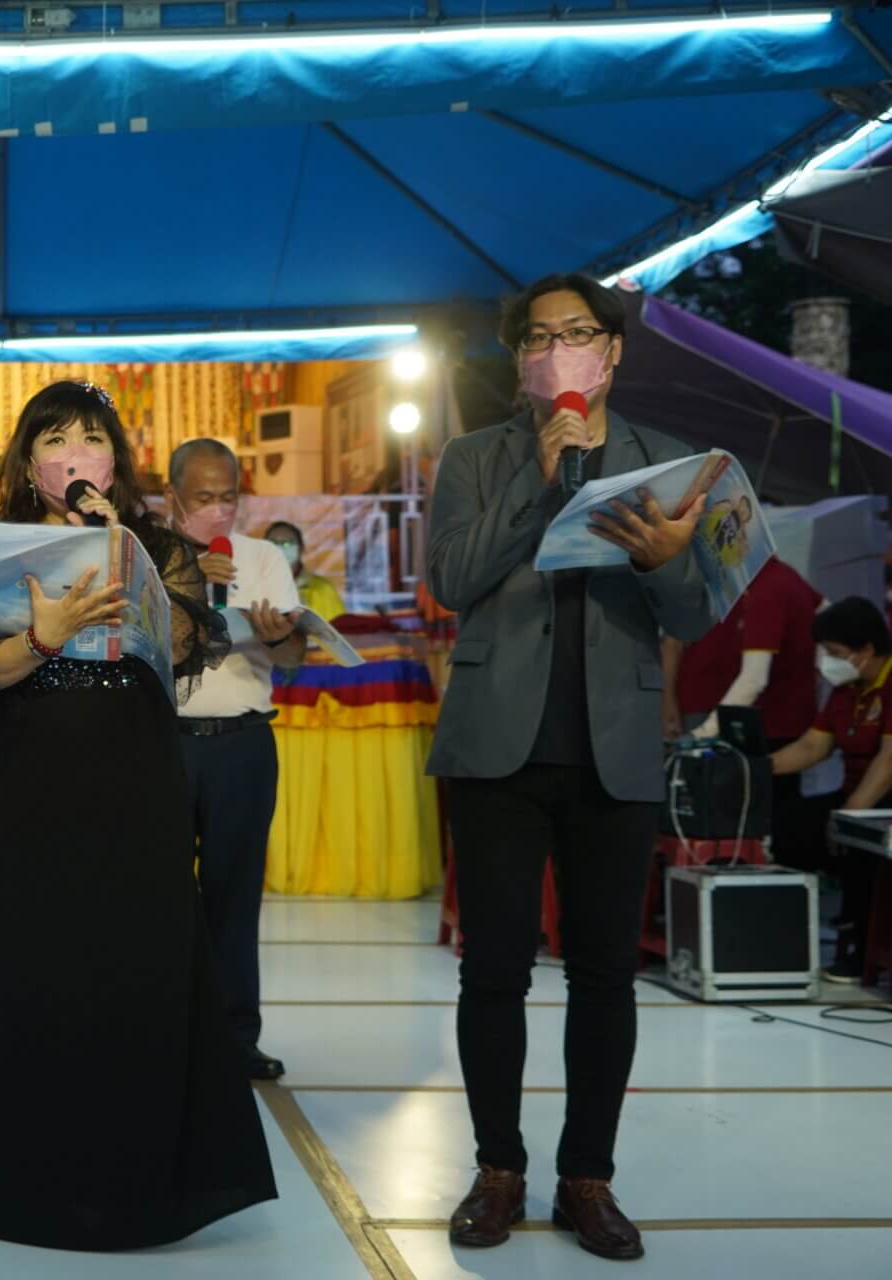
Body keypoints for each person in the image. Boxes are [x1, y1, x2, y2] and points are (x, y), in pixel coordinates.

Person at [0, 381, 277, 1251]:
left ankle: (140, 1178)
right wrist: (41, 636)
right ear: (29, 461)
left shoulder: (155, 546)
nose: (77, 454)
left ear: (115, 459)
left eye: (93, 438)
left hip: (134, 778)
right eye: (57, 440)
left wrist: (123, 557)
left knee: (138, 955)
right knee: (24, 956)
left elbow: (184, 645)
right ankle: (10, 1179)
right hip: (29, 782)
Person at [425, 274, 714, 1263]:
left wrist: (665, 558)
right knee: (493, 970)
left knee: (605, 975)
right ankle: (498, 1169)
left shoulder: (664, 461)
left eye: (578, 332)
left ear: (614, 349)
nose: (559, 351)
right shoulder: (474, 457)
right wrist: (537, 476)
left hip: (615, 743)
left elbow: (696, 612)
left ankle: (588, 1177)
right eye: (538, 338)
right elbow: (452, 577)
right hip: (496, 745)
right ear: (519, 359)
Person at [165, 437, 306, 1080]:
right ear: (172, 497)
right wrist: (191, 584)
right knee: (159, 895)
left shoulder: (264, 557)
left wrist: (280, 638)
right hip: (163, 743)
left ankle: (235, 1038)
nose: (218, 510)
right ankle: (163, 1033)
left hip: (243, 744)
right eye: (203, 498)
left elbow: (294, 657)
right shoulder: (145, 556)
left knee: (235, 894)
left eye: (228, 497)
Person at [661, 557, 824, 866]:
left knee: (765, 824)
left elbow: (753, 679)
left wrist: (705, 732)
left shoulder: (767, 591)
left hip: (769, 727)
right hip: (778, 721)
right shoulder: (783, 577)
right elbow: (825, 611)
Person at [766, 597, 892, 982]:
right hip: (855, 798)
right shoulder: (846, 690)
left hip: (881, 800)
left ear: (865, 649)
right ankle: (786, 937)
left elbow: (889, 761)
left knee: (859, 846)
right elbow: (812, 746)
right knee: (788, 826)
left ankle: (859, 944)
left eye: (834, 652)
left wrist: (848, 818)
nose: (827, 661)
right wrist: (755, 769)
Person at [264, 519, 346, 620]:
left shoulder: (322, 590)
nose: (279, 547)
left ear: (301, 548)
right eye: (273, 543)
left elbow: (337, 627)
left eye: (287, 543)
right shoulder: (253, 587)